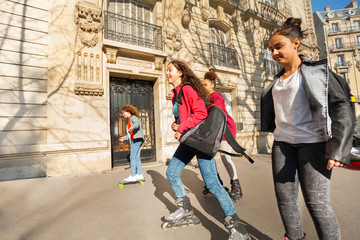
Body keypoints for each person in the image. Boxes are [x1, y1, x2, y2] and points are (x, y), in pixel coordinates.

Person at [261, 17, 354, 240]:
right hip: (283, 145)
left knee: (317, 203)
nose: (274, 53)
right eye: (271, 49)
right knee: (285, 200)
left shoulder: (317, 73)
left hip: (314, 145)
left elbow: (341, 107)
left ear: (295, 43)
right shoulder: (275, 81)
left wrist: (338, 149)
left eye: (279, 46)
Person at [164, 60, 251, 240]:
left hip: (200, 141)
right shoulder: (175, 94)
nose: (167, 73)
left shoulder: (187, 89)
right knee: (172, 172)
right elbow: (185, 116)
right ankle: (186, 210)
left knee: (212, 183)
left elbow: (201, 113)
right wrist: (177, 124)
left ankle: (238, 229)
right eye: (166, 70)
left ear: (180, 73)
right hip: (190, 141)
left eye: (170, 70)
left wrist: (181, 128)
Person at [202, 71, 243, 201]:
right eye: (202, 85)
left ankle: (236, 186)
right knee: (208, 156)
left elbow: (217, 114)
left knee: (225, 157)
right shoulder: (208, 98)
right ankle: (216, 182)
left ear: (212, 85)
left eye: (206, 85)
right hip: (215, 130)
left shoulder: (216, 96)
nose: (203, 87)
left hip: (226, 129)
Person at [119, 104, 145, 182]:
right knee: (136, 157)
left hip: (136, 140)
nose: (123, 115)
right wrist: (123, 138)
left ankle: (133, 175)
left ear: (128, 111)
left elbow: (137, 123)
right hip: (138, 139)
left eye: (124, 113)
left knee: (132, 157)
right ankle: (140, 174)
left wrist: (133, 127)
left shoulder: (133, 117)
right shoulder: (130, 119)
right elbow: (130, 135)